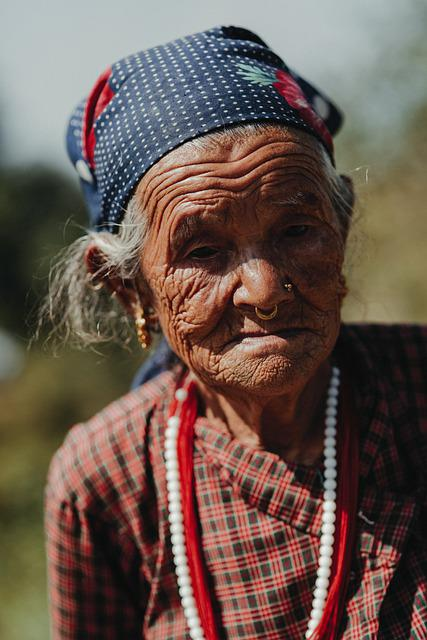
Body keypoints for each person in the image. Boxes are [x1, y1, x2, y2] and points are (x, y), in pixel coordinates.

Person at [44, 26, 427, 640]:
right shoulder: (106, 483)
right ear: (129, 288)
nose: (265, 289)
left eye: (297, 230)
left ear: (343, 225)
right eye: (203, 250)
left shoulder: (415, 392)